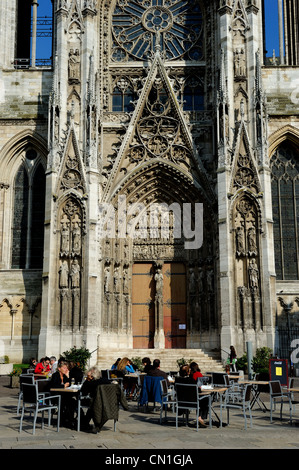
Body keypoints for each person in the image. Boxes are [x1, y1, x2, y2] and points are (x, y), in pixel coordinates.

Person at [48, 360, 76, 428]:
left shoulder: (65, 376)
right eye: (64, 368)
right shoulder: (55, 375)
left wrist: (68, 376)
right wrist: (63, 386)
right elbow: (54, 386)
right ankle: (64, 421)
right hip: (55, 396)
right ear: (59, 369)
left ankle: (69, 420)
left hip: (63, 395)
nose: (66, 369)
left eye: (66, 368)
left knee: (72, 402)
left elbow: (70, 384)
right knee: (66, 402)